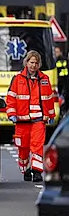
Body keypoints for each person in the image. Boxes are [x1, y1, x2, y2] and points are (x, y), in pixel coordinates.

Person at [6, 50, 56, 182]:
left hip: (39, 120)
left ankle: (37, 171)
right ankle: (25, 167)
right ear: (26, 63)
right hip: (22, 121)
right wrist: (11, 114)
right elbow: (11, 99)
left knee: (37, 146)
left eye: (36, 63)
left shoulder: (44, 80)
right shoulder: (17, 79)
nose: (33, 65)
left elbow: (49, 99)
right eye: (31, 62)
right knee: (23, 149)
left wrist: (51, 115)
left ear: (39, 65)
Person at [55, 46, 68, 117]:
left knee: (63, 97)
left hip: (63, 81)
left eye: (57, 52)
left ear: (60, 52)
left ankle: (63, 112)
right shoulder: (54, 60)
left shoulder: (61, 60)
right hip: (59, 81)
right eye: (55, 52)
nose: (55, 53)